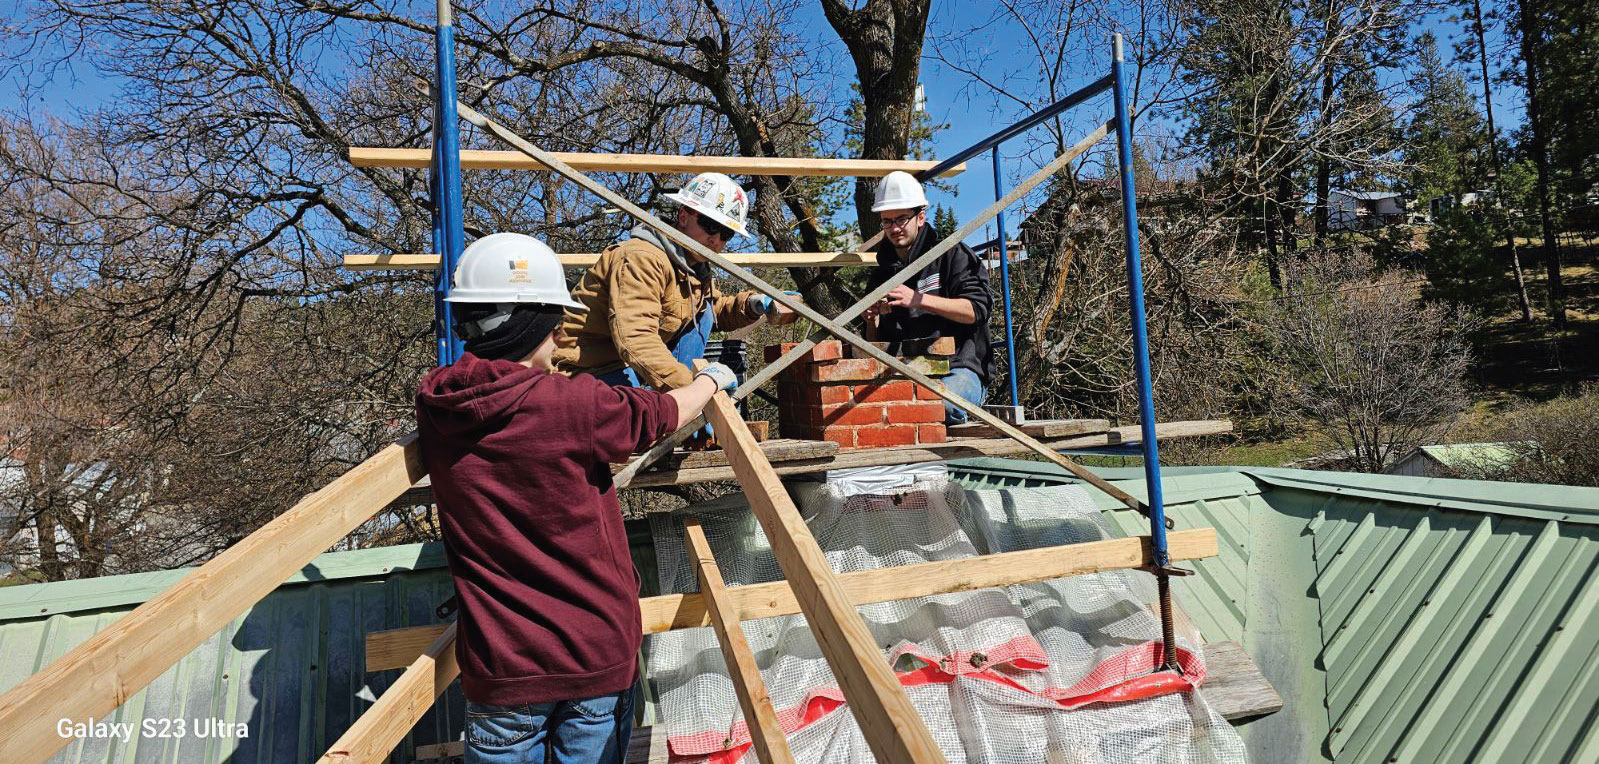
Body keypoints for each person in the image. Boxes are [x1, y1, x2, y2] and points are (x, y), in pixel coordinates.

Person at [415, 232, 739, 764]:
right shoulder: (575, 405)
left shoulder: (438, 404)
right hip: (593, 654)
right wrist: (707, 382)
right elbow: (658, 414)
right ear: (538, 324)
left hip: (502, 666)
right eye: (556, 321)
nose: (563, 331)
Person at [554, 171, 800, 390]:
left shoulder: (692, 266)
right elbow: (636, 339)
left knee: (701, 312)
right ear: (683, 216)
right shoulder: (643, 258)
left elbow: (710, 310)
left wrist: (754, 303)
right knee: (641, 428)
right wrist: (693, 389)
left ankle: (675, 415)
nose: (716, 239)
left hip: (629, 367)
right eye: (711, 225)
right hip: (588, 372)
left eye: (726, 234)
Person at [863, 171, 995, 423]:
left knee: (937, 405)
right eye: (887, 221)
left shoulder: (952, 254)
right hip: (907, 371)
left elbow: (977, 310)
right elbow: (874, 346)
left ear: (920, 217)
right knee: (872, 412)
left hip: (958, 369)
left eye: (902, 218)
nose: (895, 228)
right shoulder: (882, 273)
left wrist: (919, 299)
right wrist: (871, 322)